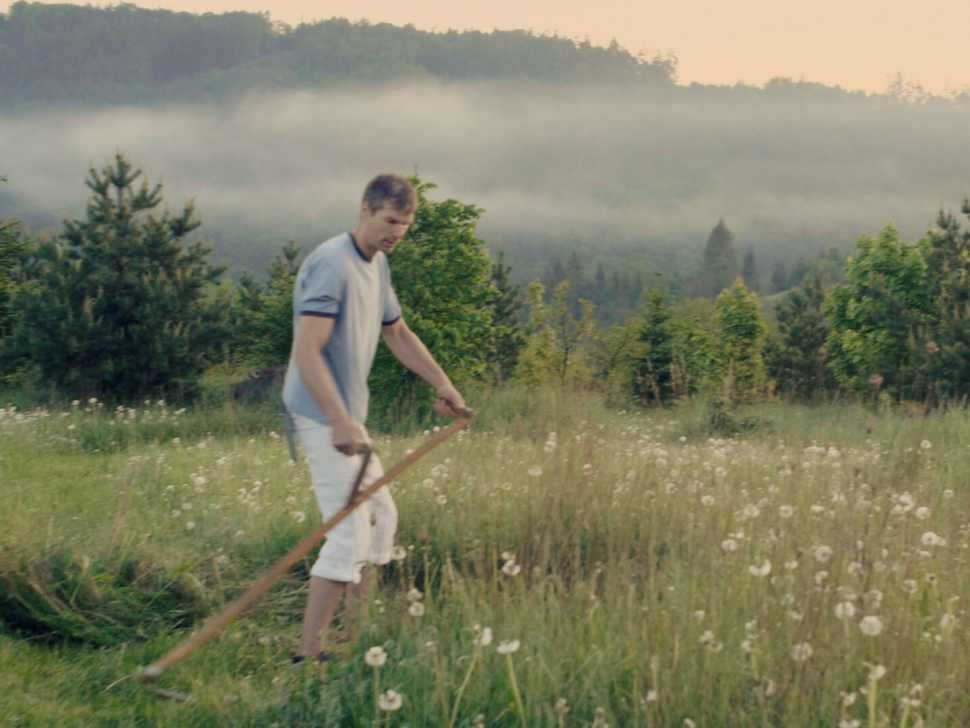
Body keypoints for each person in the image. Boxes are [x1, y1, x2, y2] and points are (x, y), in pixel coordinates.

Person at [282, 172, 467, 664]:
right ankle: (309, 657)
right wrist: (341, 420)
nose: (396, 233)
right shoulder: (331, 264)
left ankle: (357, 640)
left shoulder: (378, 266)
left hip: (347, 416)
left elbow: (398, 333)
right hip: (321, 415)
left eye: (404, 225)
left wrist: (442, 383)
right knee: (348, 531)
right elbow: (307, 351)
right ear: (364, 210)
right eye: (389, 221)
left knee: (382, 517)